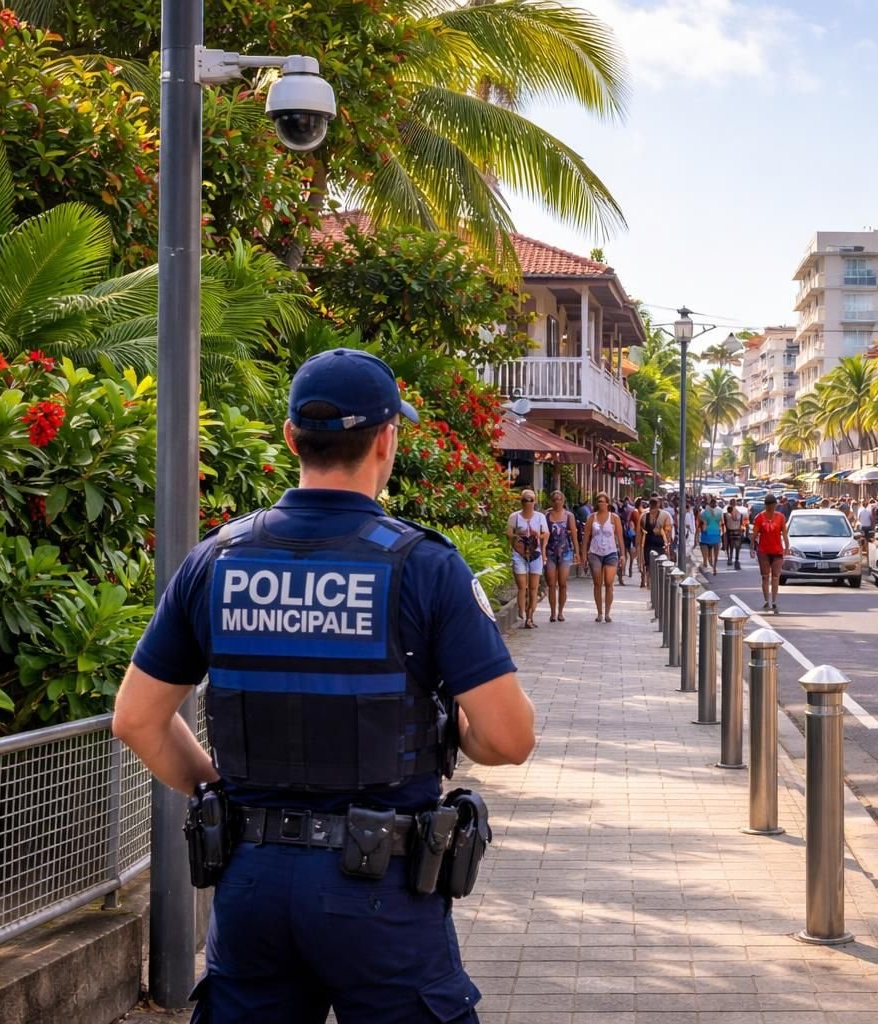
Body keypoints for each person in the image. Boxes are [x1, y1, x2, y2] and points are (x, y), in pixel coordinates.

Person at [112, 347, 535, 1022]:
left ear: (290, 438)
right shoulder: (424, 566)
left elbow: (136, 719)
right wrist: (453, 726)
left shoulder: (214, 561)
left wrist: (221, 797)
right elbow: (509, 739)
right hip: (383, 894)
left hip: (250, 885)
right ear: (387, 439)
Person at [508, 489, 548, 629]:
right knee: (522, 586)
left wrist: (538, 536)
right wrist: (518, 535)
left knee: (533, 588)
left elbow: (546, 534)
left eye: (531, 500)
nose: (528, 503)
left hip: (535, 554)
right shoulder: (515, 517)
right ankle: (521, 610)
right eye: (525, 500)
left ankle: (530, 617)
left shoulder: (540, 517)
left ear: (535, 501)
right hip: (519, 554)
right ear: (521, 501)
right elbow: (509, 534)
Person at [583, 491, 625, 623]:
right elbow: (586, 538)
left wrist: (623, 554)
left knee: (608, 583)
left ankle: (607, 612)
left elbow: (619, 537)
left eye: (603, 501)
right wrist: (584, 554)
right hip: (595, 552)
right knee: (597, 583)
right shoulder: (591, 518)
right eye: (598, 501)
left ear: (607, 503)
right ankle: (599, 612)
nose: (601, 503)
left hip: (611, 552)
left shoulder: (614, 518)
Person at [542, 491, 578, 623]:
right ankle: (552, 612)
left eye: (560, 499)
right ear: (551, 501)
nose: (557, 501)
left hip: (565, 551)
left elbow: (574, 534)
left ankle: (561, 611)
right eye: (555, 499)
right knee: (551, 583)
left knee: (562, 583)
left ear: (563, 501)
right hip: (550, 551)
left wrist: (577, 552)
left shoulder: (569, 516)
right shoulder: (546, 515)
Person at [752, 495, 790, 614]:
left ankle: (774, 601)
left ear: (775, 505)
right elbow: (754, 534)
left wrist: (787, 547)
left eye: (773, 505)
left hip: (777, 550)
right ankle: (766, 600)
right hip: (763, 551)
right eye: (769, 505)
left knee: (775, 576)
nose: (771, 508)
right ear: (766, 505)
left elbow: (784, 533)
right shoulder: (759, 517)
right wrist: (752, 548)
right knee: (765, 576)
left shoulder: (780, 517)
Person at [638, 497, 668, 587]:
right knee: (652, 564)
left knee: (649, 565)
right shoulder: (646, 516)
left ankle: (649, 583)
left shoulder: (644, 516)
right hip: (654, 543)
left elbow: (640, 531)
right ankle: (650, 583)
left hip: (652, 543)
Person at [698, 498, 723, 576]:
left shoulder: (703, 513)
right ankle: (714, 567)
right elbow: (722, 523)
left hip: (706, 535)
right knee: (715, 554)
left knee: (707, 555)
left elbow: (700, 524)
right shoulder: (720, 512)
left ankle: (707, 563)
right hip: (716, 535)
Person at [723, 498, 746, 570]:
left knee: (730, 545)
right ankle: (736, 560)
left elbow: (725, 524)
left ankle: (730, 558)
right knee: (737, 547)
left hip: (730, 531)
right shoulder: (739, 513)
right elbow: (741, 523)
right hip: (737, 531)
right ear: (735, 503)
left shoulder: (726, 513)